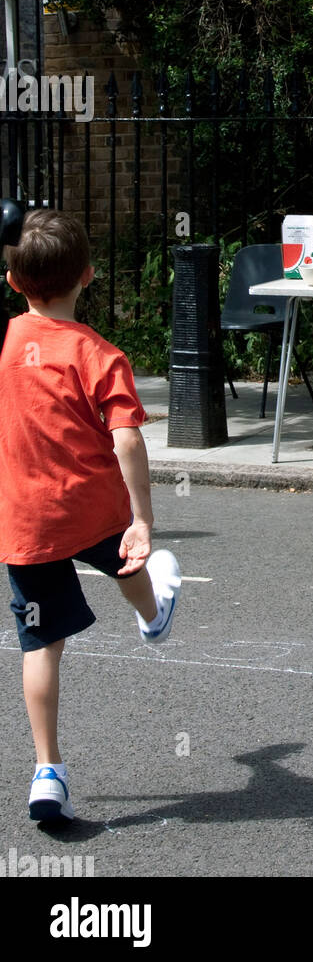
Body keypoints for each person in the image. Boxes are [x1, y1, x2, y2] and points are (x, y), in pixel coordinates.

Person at [0, 208, 180, 824]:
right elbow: (128, 439)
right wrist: (144, 517)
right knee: (127, 556)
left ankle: (47, 769)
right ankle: (153, 617)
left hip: (26, 522)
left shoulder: (5, 345)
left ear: (13, 282)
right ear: (89, 276)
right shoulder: (99, 354)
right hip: (95, 507)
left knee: (41, 645)